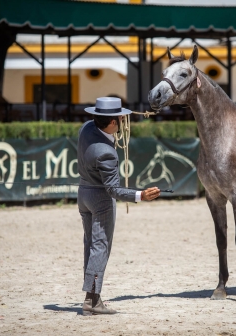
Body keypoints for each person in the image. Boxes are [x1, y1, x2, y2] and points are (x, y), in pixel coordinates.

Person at [78, 97, 160, 316]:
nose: (124, 121)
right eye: (121, 118)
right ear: (112, 123)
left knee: (91, 245)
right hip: (100, 199)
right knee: (100, 247)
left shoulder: (87, 128)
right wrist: (141, 195)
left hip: (83, 194)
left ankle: (93, 297)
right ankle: (92, 301)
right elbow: (113, 190)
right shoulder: (106, 152)